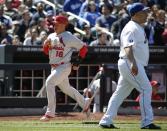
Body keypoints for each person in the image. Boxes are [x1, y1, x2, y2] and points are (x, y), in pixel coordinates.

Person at [99, 2, 161, 129]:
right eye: (144, 12)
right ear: (136, 14)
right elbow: (128, 47)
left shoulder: (137, 26)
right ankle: (147, 122)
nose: (146, 13)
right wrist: (133, 63)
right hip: (130, 61)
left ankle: (106, 120)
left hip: (130, 62)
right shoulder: (132, 27)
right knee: (146, 89)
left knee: (120, 93)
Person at [40, 15, 91, 121]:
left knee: (49, 82)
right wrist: (45, 46)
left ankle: (50, 113)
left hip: (64, 66)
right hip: (54, 67)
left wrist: (77, 62)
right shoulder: (51, 36)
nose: (54, 25)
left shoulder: (68, 36)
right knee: (66, 89)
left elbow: (84, 48)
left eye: (57, 24)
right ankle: (84, 102)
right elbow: (46, 52)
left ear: (63, 25)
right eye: (54, 24)